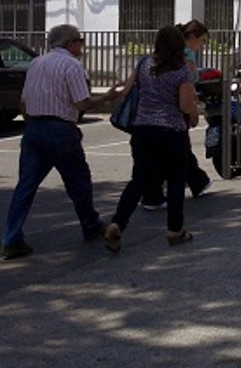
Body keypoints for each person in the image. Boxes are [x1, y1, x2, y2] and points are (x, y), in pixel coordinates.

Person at [1, 25, 123, 260]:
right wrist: (107, 97)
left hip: (35, 127)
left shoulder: (36, 63)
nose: (82, 46)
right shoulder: (72, 65)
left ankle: (11, 238)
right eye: (80, 41)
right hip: (60, 128)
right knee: (79, 180)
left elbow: (23, 102)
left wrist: (31, 123)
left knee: (25, 186)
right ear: (70, 44)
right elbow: (82, 103)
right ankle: (90, 224)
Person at [104, 25, 199, 252]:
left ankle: (118, 223)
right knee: (175, 180)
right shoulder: (182, 70)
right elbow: (185, 105)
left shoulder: (144, 63)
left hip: (143, 129)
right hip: (171, 130)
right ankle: (174, 229)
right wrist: (194, 108)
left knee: (139, 179)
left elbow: (127, 91)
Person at [140, 19, 212, 210]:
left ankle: (193, 182)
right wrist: (193, 112)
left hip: (148, 118)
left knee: (168, 153)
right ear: (191, 37)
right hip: (172, 116)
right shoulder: (183, 61)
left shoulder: (146, 63)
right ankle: (191, 183)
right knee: (179, 152)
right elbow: (187, 93)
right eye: (202, 41)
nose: (202, 46)